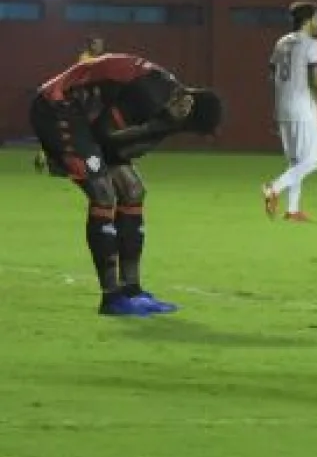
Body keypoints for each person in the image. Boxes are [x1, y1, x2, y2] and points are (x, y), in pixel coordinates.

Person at [29, 53, 224, 316]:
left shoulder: (170, 100)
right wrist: (160, 126)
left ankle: (132, 290)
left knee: (133, 190)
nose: (184, 131)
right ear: (189, 108)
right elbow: (106, 135)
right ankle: (111, 297)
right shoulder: (151, 95)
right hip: (57, 107)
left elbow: (123, 146)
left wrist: (159, 128)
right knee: (103, 193)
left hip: (83, 118)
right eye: (190, 128)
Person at [262, 1, 317, 222]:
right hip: (303, 108)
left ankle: (293, 210)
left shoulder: (281, 43)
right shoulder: (312, 44)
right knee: (313, 159)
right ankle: (273, 188)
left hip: (283, 108)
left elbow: (272, 76)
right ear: (308, 20)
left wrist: (279, 107)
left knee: (296, 161)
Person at [34, 36, 109, 174]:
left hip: (86, 100)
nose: (100, 47)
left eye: (101, 44)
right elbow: (87, 80)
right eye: (97, 44)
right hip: (80, 100)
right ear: (91, 45)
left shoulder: (97, 59)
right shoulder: (86, 59)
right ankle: (46, 155)